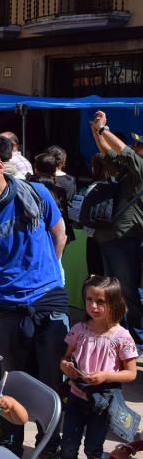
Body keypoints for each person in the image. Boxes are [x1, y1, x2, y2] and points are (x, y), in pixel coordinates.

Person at [0, 146, 67, 456]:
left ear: (0, 166)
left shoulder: (36, 193)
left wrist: (45, 271)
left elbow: (59, 233)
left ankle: (50, 448)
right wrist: (5, 278)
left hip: (49, 299)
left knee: (50, 379)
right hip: (4, 305)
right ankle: (9, 446)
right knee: (7, 382)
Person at [59, 276, 138, 459]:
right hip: (76, 397)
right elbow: (65, 358)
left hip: (103, 402)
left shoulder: (122, 336)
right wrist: (65, 366)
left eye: (100, 301)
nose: (93, 306)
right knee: (68, 444)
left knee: (94, 447)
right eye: (89, 299)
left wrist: (105, 376)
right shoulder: (79, 329)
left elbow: (131, 374)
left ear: (114, 303)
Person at [89, 111, 143, 349]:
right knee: (115, 291)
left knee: (128, 291)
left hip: (126, 239)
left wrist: (103, 129)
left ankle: (138, 338)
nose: (134, 146)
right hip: (111, 238)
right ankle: (122, 332)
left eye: (138, 144)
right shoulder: (127, 171)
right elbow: (106, 153)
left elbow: (125, 152)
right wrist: (95, 129)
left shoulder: (140, 168)